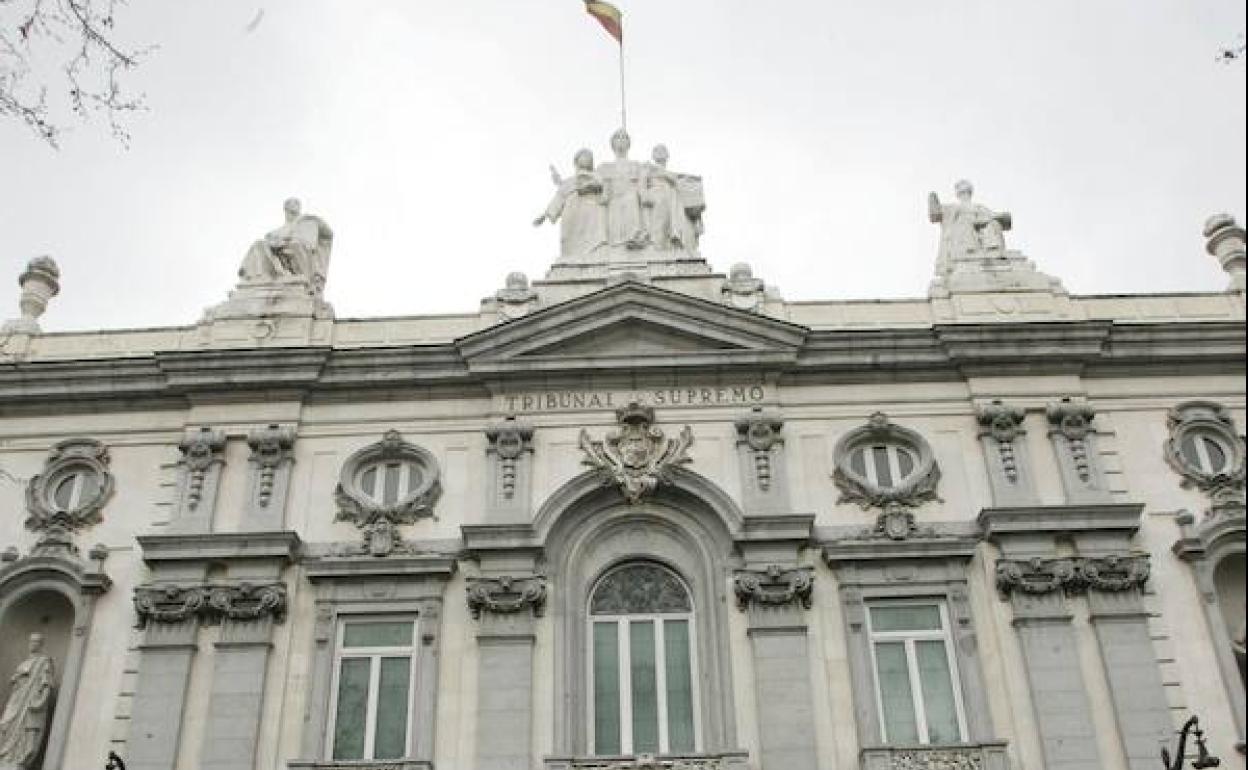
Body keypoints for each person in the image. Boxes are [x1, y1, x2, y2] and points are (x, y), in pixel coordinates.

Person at [239, 198, 334, 293]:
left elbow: (312, 241)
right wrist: (275, 241)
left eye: (296, 204)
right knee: (258, 244)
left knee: (295, 245)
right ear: (285, 209)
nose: (294, 207)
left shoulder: (307, 222)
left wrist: (284, 241)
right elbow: (271, 239)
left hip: (296, 253)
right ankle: (258, 278)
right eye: (291, 205)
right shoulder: (279, 230)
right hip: (277, 253)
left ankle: (301, 278)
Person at [534, 149, 607, 259]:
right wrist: (544, 216)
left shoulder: (597, 177)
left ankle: (594, 256)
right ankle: (569, 257)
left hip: (592, 210)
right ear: (576, 161)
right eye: (583, 156)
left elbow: (604, 190)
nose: (587, 158)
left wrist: (590, 186)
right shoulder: (569, 181)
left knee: (594, 236)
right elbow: (559, 197)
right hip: (572, 210)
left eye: (589, 157)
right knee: (569, 237)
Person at [0, 633, 55, 768]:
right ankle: (5, 756)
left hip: (30, 701)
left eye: (36, 642)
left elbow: (46, 683)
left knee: (27, 730)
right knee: (5, 724)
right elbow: (14, 681)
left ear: (41, 644)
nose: (32, 644)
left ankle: (17, 758)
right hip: (16, 700)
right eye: (31, 641)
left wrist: (41, 701)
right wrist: (16, 680)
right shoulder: (24, 663)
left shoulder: (44, 661)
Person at [928, 180, 1012, 267]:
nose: (964, 193)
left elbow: (994, 216)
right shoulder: (951, 208)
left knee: (993, 223)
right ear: (957, 193)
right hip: (962, 236)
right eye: (961, 190)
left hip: (981, 232)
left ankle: (993, 250)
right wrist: (933, 198)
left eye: (966, 190)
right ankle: (970, 251)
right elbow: (935, 215)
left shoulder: (979, 207)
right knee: (965, 224)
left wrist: (999, 217)